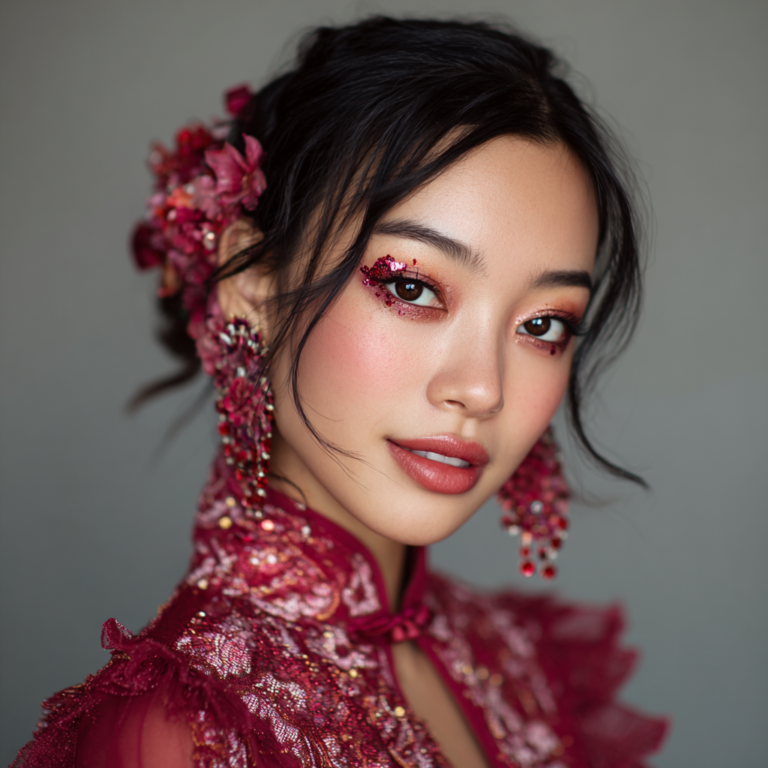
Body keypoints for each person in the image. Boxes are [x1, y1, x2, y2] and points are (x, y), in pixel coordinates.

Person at [13, 16, 668, 768]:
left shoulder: (518, 660)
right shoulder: (176, 734)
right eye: (414, 287)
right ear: (252, 285)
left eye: (544, 323)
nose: (481, 387)